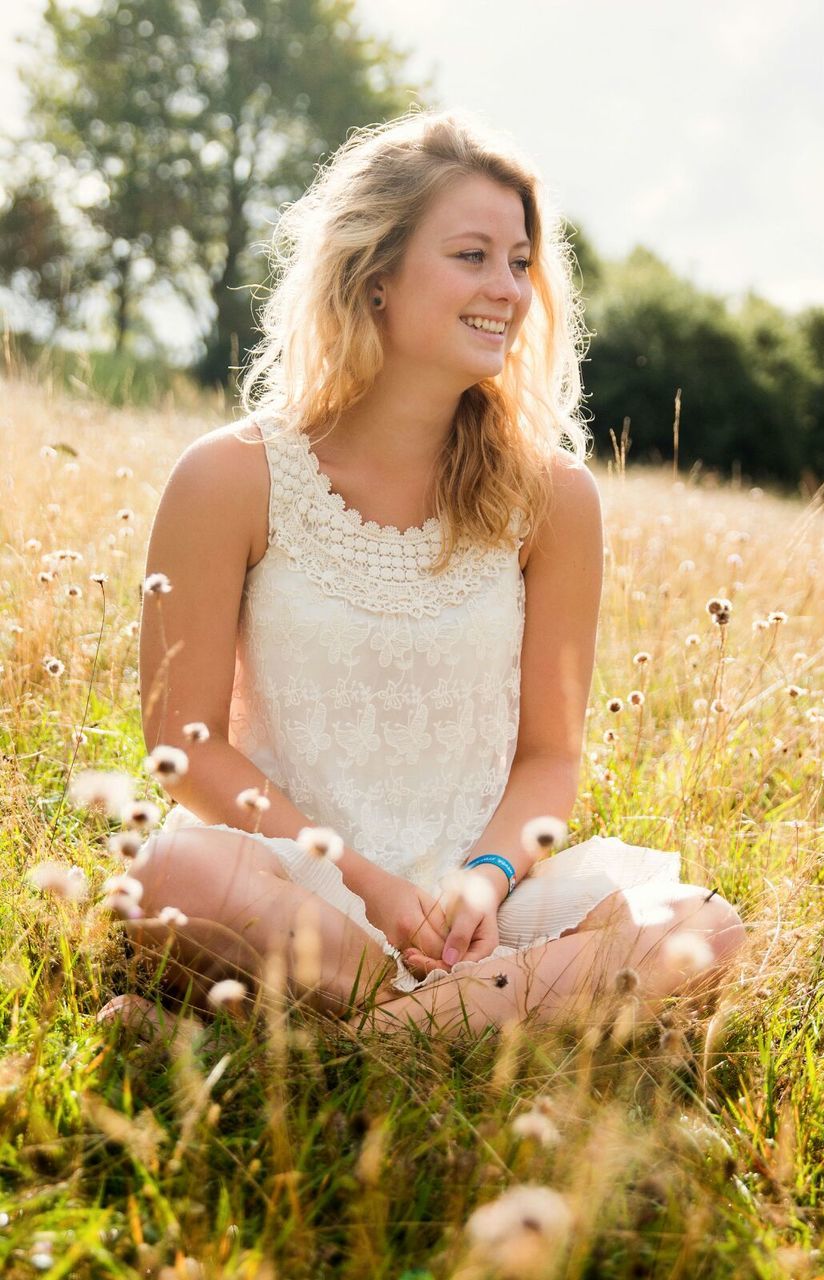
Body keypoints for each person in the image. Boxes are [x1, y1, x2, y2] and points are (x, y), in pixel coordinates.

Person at [123, 108, 746, 1039]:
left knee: (704, 928)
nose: (508, 288)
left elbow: (548, 758)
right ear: (374, 275)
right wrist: (361, 882)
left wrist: (482, 882)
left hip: (476, 907)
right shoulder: (232, 475)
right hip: (287, 877)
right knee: (167, 879)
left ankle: (377, 1036)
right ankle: (466, 1026)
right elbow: (185, 741)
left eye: (521, 262)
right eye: (472, 256)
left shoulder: (554, 498)